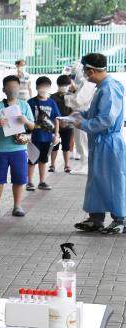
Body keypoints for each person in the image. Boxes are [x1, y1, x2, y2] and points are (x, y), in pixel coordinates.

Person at [72, 53, 126, 234]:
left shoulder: (109, 89)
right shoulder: (103, 87)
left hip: (109, 143)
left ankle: (121, 219)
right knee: (96, 180)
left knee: (113, 180)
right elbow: (97, 112)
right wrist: (81, 116)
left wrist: (84, 124)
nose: (85, 75)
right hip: (101, 142)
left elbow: (107, 119)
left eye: (85, 72)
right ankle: (96, 218)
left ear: (91, 71)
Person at [0, 75, 35, 218]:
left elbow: (33, 126)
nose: (12, 90)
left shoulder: (24, 105)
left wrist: (26, 120)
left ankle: (17, 206)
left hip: (19, 149)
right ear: (4, 89)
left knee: (19, 179)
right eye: (9, 87)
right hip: (1, 149)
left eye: (15, 87)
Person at [27, 77, 61, 191]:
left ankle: (42, 181)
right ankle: (30, 182)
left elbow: (56, 119)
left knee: (43, 160)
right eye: (41, 86)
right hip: (34, 137)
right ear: (36, 87)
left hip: (47, 137)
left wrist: (56, 134)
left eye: (46, 87)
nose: (44, 89)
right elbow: (27, 119)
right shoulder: (31, 102)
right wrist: (28, 134)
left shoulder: (51, 102)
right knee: (32, 160)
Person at [65, 58, 95, 174]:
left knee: (82, 140)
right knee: (79, 140)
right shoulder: (83, 82)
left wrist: (66, 96)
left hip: (82, 114)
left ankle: (85, 164)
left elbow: (79, 100)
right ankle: (84, 163)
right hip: (79, 113)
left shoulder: (87, 83)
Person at [50, 75, 74, 173]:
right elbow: (51, 112)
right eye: (61, 85)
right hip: (55, 125)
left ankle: (67, 165)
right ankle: (52, 165)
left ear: (69, 85)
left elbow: (75, 111)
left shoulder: (72, 96)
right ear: (58, 85)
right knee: (54, 145)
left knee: (66, 146)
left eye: (65, 84)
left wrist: (66, 121)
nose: (63, 86)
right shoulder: (53, 97)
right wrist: (58, 122)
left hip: (68, 125)